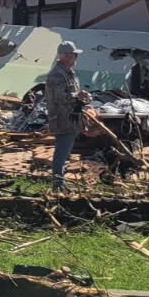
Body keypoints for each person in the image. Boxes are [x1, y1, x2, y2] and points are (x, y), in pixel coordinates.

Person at [46, 40, 91, 191]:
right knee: (61, 152)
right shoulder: (56, 75)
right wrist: (77, 96)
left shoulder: (69, 72)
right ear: (65, 56)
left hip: (70, 119)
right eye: (73, 55)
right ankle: (57, 186)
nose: (75, 59)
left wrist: (82, 97)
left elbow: (74, 93)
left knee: (65, 153)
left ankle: (61, 184)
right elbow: (58, 97)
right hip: (62, 120)